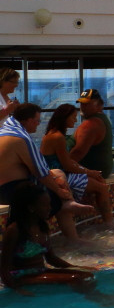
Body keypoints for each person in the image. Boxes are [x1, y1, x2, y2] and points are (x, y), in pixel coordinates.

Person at [0, 103, 92, 241]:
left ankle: (74, 237)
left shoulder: (4, 132)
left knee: (57, 173)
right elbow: (40, 172)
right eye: (37, 121)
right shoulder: (21, 138)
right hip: (14, 191)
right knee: (53, 197)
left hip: (8, 188)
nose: (38, 125)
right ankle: (66, 206)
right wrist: (60, 191)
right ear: (30, 120)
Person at [0, 183, 98, 295]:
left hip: (41, 272)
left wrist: (77, 267)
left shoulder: (42, 227)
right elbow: (4, 268)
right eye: (45, 205)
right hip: (21, 276)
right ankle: (95, 300)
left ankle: (93, 299)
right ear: (31, 208)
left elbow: (51, 258)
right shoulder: (14, 230)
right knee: (75, 278)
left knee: (87, 275)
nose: (50, 208)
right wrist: (16, 289)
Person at [40, 103, 114, 228]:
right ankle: (109, 222)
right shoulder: (57, 137)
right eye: (73, 117)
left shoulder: (53, 134)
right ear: (64, 118)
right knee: (102, 187)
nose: (76, 120)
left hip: (59, 173)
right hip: (60, 176)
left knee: (99, 181)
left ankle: (106, 220)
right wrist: (89, 172)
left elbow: (68, 162)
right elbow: (67, 165)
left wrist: (88, 171)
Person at [69, 89, 114, 179]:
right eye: (81, 103)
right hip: (101, 171)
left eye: (87, 104)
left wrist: (59, 166)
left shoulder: (91, 124)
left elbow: (77, 153)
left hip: (91, 173)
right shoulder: (103, 119)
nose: (83, 107)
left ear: (99, 105)